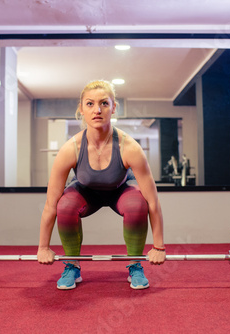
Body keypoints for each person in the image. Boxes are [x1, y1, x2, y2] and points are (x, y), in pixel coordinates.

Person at [37, 80, 166, 290]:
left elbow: (153, 202)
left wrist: (158, 246)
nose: (97, 110)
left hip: (120, 189)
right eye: (90, 104)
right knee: (65, 206)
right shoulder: (70, 149)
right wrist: (43, 247)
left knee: (138, 204)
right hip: (86, 191)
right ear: (81, 109)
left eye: (104, 103)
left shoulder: (130, 147)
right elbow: (50, 204)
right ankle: (72, 265)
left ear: (114, 108)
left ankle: (135, 264)